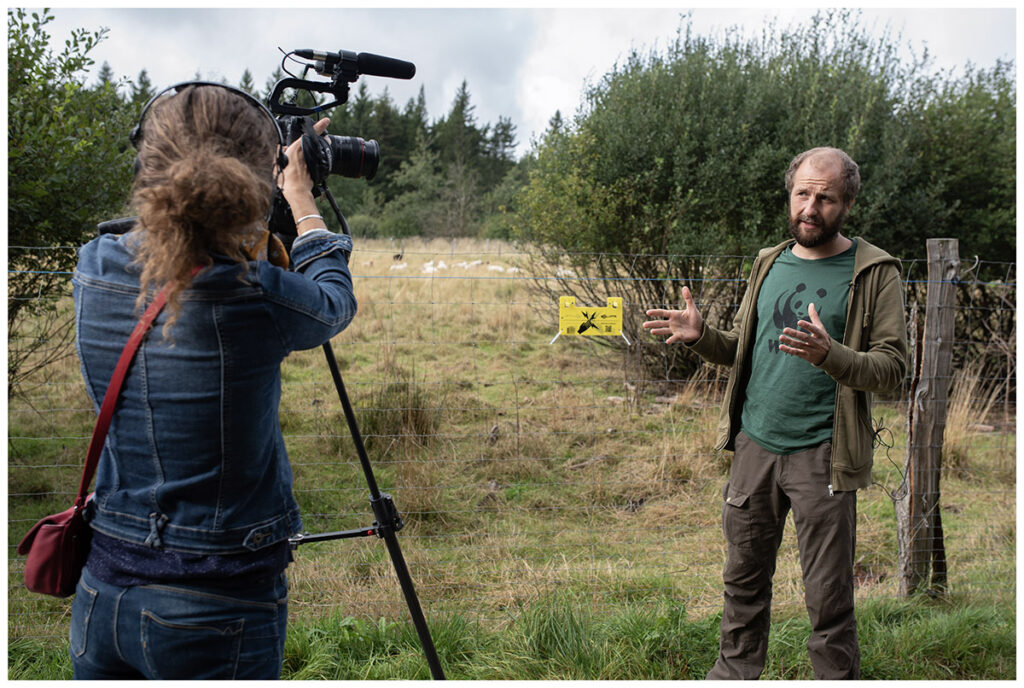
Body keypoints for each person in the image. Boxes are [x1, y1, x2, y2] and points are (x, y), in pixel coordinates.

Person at [68, 83, 357, 679]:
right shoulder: (251, 295)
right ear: (255, 178)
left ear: (144, 160)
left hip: (101, 588)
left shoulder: (93, 267)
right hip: (217, 602)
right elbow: (333, 302)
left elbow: (167, 244)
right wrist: (298, 196)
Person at [643, 147, 907, 679]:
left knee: (828, 598)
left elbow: (893, 367)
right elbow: (745, 345)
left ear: (847, 203)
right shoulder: (769, 260)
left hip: (824, 456)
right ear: (790, 195)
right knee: (742, 581)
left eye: (826, 197)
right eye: (803, 193)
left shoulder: (875, 272)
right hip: (755, 446)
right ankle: (734, 675)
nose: (811, 207)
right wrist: (702, 338)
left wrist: (830, 355)